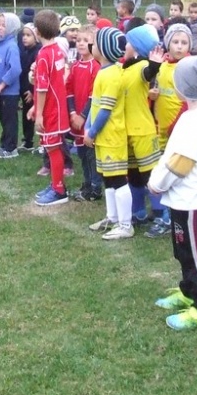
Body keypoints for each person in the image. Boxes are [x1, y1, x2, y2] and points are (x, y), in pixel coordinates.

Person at [149, 56, 197, 331]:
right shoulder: (193, 115)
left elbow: (181, 163)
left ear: (187, 87)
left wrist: (157, 183)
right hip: (182, 199)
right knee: (184, 252)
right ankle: (189, 291)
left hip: (194, 200)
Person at [146, 22, 193, 236]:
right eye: (175, 42)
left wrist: (177, 125)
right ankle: (164, 213)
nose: (179, 46)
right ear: (168, 43)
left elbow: (189, 101)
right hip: (161, 129)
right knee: (162, 170)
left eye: (184, 42)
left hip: (179, 129)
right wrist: (151, 96)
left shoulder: (188, 67)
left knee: (176, 173)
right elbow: (155, 92)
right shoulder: (163, 66)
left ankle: (172, 217)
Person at [86, 27, 133, 238]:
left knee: (118, 179)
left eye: (95, 43)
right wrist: (88, 127)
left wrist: (92, 131)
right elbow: (95, 104)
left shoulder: (112, 75)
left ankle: (126, 224)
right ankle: (112, 217)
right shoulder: (104, 72)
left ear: (104, 50)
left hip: (112, 135)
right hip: (103, 137)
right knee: (108, 177)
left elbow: (106, 109)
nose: (92, 46)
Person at [120, 25, 164, 229]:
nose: (125, 46)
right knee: (134, 175)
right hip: (128, 131)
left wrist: (154, 65)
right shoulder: (126, 67)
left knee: (150, 175)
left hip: (143, 131)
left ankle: (162, 215)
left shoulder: (142, 66)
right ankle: (138, 212)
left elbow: (148, 73)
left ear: (137, 47)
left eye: (128, 43)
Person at [30, 10, 70, 206]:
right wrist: (35, 107)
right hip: (57, 107)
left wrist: (39, 114)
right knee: (53, 147)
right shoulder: (57, 50)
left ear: (37, 32)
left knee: (53, 149)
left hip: (51, 110)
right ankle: (56, 184)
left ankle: (59, 190)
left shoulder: (44, 55)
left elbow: (43, 87)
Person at [67, 25, 103, 202]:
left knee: (91, 154)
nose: (81, 43)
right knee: (81, 153)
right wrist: (73, 112)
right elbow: (68, 90)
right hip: (76, 118)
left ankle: (95, 188)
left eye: (86, 41)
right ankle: (87, 183)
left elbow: (93, 95)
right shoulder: (75, 66)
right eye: (78, 40)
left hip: (88, 119)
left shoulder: (95, 67)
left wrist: (82, 116)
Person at [0, 13, 23, 159]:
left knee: (10, 120)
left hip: (9, 92)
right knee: (4, 119)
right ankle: (4, 144)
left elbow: (15, 69)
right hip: (1, 92)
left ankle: (11, 148)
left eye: (3, 25)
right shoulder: (1, 44)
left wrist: (3, 84)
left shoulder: (11, 47)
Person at [19, 22, 40, 152]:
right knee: (26, 116)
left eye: (28, 35)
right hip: (24, 89)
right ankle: (28, 141)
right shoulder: (25, 51)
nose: (25, 38)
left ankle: (41, 142)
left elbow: (37, 74)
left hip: (32, 91)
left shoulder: (37, 52)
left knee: (35, 116)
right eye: (23, 35)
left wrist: (32, 91)